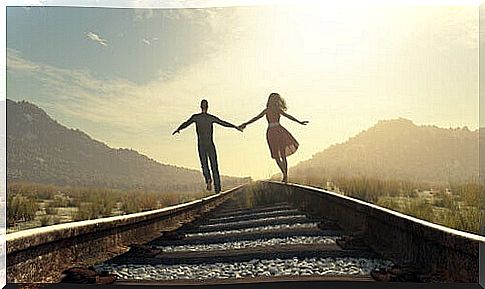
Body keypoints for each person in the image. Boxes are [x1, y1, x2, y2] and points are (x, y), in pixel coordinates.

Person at [173, 99, 242, 193]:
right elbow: (223, 123)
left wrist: (178, 129)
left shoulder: (196, 117)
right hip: (210, 144)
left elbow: (186, 123)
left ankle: (208, 179)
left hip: (201, 144)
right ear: (207, 107)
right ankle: (217, 188)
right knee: (214, 166)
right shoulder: (210, 118)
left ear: (200, 107)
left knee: (204, 164)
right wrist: (235, 126)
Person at [239, 93, 308, 183]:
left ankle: (285, 175)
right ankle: (284, 174)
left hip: (277, 132)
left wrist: (299, 122)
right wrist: (245, 124)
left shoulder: (276, 110)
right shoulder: (267, 110)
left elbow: (288, 116)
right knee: (277, 156)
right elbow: (256, 118)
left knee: (282, 155)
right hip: (273, 133)